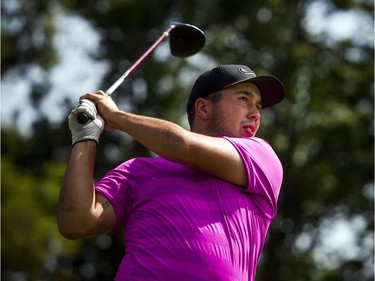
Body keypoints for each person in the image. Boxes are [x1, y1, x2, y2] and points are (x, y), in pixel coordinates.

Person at [58, 64, 285, 281]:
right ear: (204, 108)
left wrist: (116, 117)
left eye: (258, 106)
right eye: (244, 99)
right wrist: (85, 136)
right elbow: (77, 222)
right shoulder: (138, 171)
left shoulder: (260, 158)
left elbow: (183, 145)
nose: (255, 114)